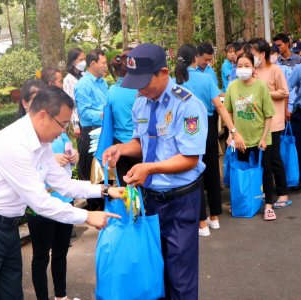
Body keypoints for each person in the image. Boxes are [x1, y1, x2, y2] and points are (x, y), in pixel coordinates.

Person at [0, 86, 123, 300]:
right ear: (42, 115)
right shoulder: (14, 144)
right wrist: (87, 216)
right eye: (62, 124)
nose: (64, 130)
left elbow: (63, 184)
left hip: (6, 227)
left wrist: (104, 189)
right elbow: (40, 202)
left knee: (12, 294)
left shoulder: (41, 143)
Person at [103, 43, 208, 299]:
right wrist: (121, 149)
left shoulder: (187, 105)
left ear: (163, 72)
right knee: (153, 273)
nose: (140, 89)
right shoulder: (141, 103)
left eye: (144, 82)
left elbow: (190, 158)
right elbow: (141, 142)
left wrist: (149, 168)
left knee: (180, 276)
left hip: (180, 200)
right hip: (149, 202)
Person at [174, 44, 246, 236]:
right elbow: (220, 107)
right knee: (212, 169)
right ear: (195, 58)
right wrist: (233, 130)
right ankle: (214, 217)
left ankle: (201, 222)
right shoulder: (205, 79)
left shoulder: (175, 82)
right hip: (207, 125)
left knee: (192, 173)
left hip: (185, 129)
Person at [17, 83, 80, 300]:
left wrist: (74, 156)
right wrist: (89, 216)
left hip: (63, 198)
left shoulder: (50, 135)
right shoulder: (20, 139)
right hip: (40, 206)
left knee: (60, 252)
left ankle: (60, 296)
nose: (62, 130)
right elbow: (33, 188)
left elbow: (68, 154)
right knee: (41, 256)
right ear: (26, 105)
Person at [224, 52, 276, 220]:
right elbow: (228, 112)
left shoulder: (261, 86)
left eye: (247, 65)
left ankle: (268, 205)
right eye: (240, 66)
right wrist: (232, 134)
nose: (243, 69)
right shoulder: (232, 86)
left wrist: (264, 137)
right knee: (242, 171)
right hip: (240, 139)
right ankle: (243, 201)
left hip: (261, 137)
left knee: (265, 170)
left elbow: (268, 114)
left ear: (254, 67)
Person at [250, 38, 292, 209]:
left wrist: (265, 93)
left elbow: (284, 92)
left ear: (262, 54)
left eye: (253, 54)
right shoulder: (251, 71)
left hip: (274, 122)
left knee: (273, 159)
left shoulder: (275, 70)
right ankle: (264, 193)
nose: (251, 57)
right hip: (256, 123)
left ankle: (282, 194)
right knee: (263, 161)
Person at [74, 49, 108, 210]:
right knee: (90, 171)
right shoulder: (83, 85)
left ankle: (105, 201)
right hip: (90, 132)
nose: (106, 66)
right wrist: (104, 114)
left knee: (103, 169)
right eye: (103, 63)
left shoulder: (103, 83)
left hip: (103, 130)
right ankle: (95, 206)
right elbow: (85, 112)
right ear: (93, 64)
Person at [104, 47, 141, 185]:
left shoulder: (111, 91)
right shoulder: (139, 91)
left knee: (126, 191)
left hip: (118, 146)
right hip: (138, 147)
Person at [63, 48, 86, 136]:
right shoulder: (68, 79)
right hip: (78, 121)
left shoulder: (84, 76)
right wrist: (75, 124)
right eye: (81, 60)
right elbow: (70, 102)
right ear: (73, 62)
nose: (83, 62)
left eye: (84, 59)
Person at [288, 62, 301, 189]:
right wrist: (288, 108)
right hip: (300, 114)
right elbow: (286, 88)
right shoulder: (299, 69)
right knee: (299, 148)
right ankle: (298, 177)